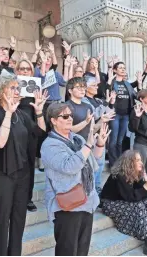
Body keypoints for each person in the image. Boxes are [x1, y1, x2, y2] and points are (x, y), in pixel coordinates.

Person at [0, 75, 48, 255]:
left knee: (19, 220)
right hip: (1, 175)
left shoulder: (21, 114)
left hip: (22, 174)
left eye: (17, 88)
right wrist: (8, 113)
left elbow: (40, 131)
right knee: (1, 221)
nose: (16, 91)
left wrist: (39, 112)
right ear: (1, 91)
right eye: (12, 87)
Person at [41, 103, 110, 256]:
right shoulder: (49, 145)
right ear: (53, 120)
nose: (69, 119)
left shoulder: (77, 138)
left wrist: (99, 144)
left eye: (70, 116)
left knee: (82, 251)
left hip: (87, 201)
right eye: (64, 116)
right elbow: (70, 167)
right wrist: (89, 144)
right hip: (67, 206)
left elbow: (94, 161)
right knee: (67, 251)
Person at [101, 150, 147, 255]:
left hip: (125, 200)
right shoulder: (119, 176)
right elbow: (132, 197)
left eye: (140, 160)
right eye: (137, 160)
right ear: (129, 162)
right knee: (138, 205)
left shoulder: (135, 173)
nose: (141, 163)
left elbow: (143, 195)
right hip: (110, 203)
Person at [82, 76, 116, 193]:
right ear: (86, 87)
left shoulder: (98, 101)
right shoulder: (84, 101)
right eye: (94, 85)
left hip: (101, 134)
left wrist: (111, 103)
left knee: (100, 163)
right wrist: (106, 103)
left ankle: (96, 188)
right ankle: (90, 189)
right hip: (90, 136)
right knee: (91, 164)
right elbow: (96, 115)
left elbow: (109, 114)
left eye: (97, 85)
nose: (97, 87)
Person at [15, 58, 39, 212]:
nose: (24, 71)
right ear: (17, 71)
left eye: (27, 69)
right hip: (15, 131)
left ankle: (28, 198)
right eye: (22, 69)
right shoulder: (12, 88)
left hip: (31, 133)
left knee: (30, 166)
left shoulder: (36, 88)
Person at [108, 61, 136, 167]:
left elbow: (135, 94)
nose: (123, 69)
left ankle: (119, 162)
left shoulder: (127, 84)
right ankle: (113, 163)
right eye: (120, 68)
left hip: (125, 115)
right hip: (115, 114)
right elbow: (105, 90)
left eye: (124, 68)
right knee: (113, 140)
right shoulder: (112, 83)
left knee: (120, 141)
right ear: (115, 70)